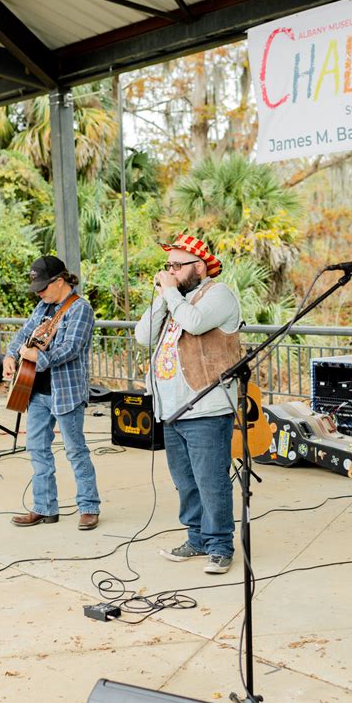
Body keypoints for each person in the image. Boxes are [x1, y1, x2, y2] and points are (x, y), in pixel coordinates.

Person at [135, 235, 241, 574]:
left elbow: (195, 324)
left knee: (212, 481)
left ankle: (220, 546)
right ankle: (196, 538)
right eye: (167, 267)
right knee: (185, 481)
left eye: (176, 266)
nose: (170, 272)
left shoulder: (217, 295)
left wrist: (170, 293)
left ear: (199, 267)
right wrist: (165, 297)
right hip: (171, 409)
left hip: (205, 407)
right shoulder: (174, 301)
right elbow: (142, 336)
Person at [3, 256, 101, 530]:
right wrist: (11, 356)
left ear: (60, 281)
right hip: (35, 392)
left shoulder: (80, 309)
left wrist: (36, 357)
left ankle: (89, 507)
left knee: (75, 451)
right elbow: (22, 335)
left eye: (43, 287)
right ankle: (45, 508)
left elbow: (71, 348)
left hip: (66, 393)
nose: (39, 293)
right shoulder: (42, 307)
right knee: (36, 450)